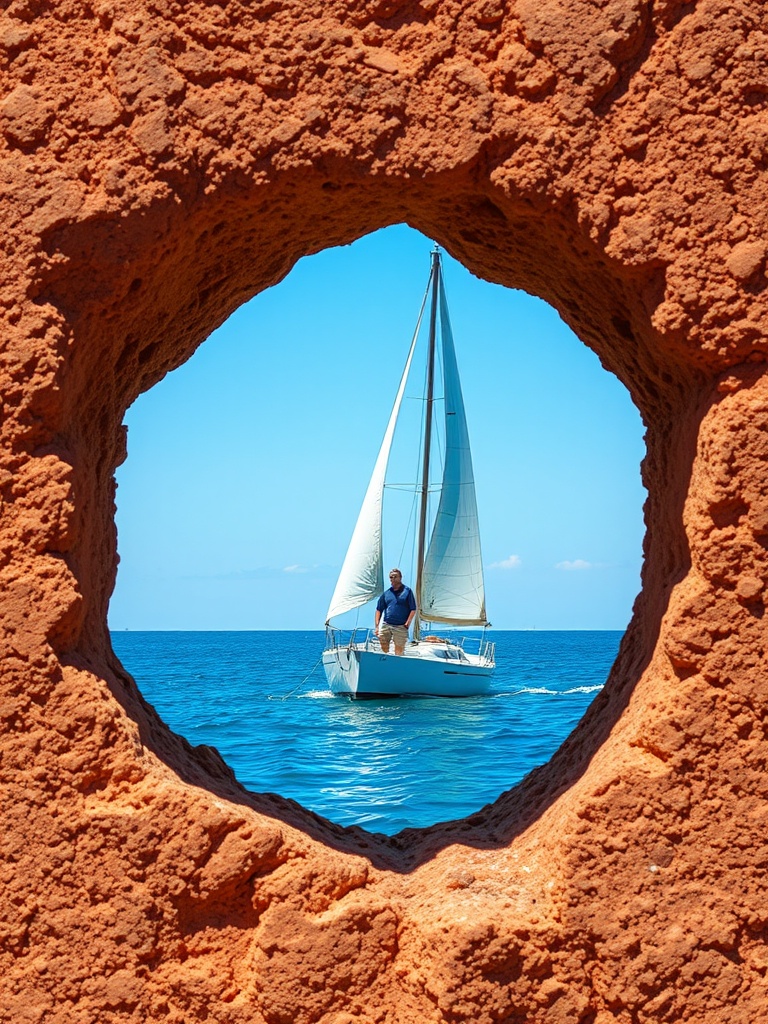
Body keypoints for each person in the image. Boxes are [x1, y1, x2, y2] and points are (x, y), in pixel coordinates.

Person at [375, 568, 416, 655]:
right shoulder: (386, 593)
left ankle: (398, 663)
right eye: (391, 577)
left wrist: (407, 623)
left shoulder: (407, 591)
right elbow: (379, 609)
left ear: (400, 577)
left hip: (401, 626)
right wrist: (377, 626)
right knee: (383, 647)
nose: (393, 579)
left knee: (399, 651)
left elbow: (413, 608)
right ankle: (385, 662)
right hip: (387, 625)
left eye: (395, 577)